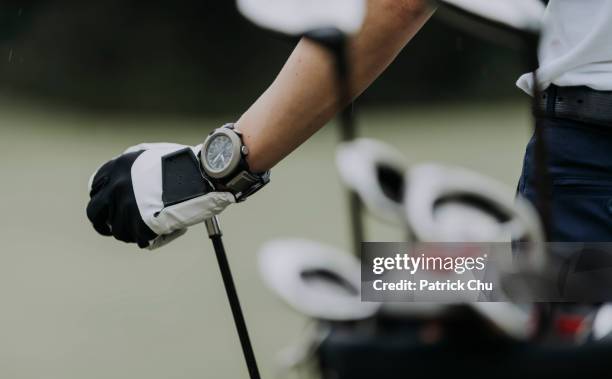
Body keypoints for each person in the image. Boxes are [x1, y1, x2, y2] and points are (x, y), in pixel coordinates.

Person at [87, 0, 612, 248]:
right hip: (582, 170)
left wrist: (210, 171)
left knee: (403, 314)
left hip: (590, 172)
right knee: (406, 285)